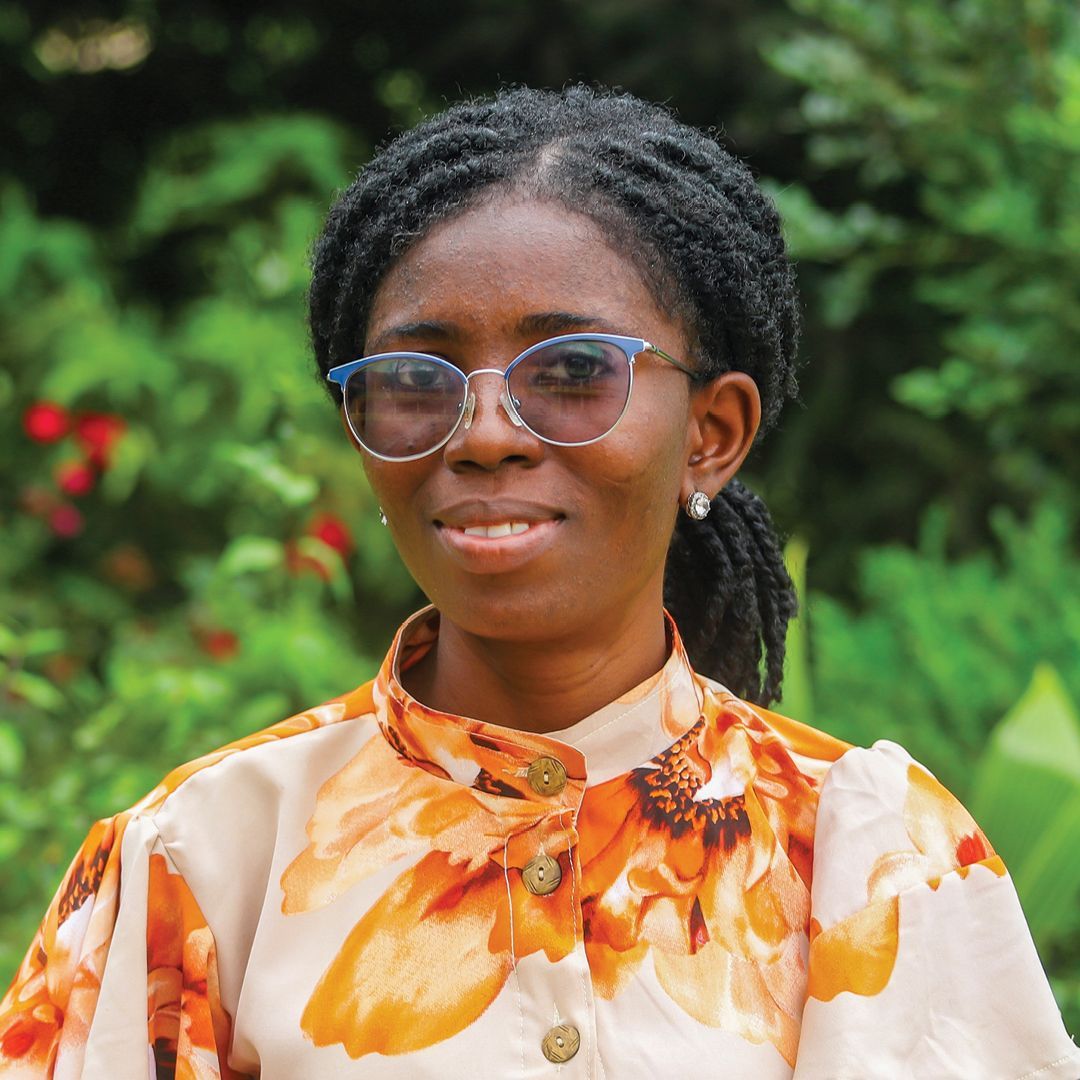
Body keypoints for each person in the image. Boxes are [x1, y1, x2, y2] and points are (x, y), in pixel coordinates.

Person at [1, 86, 1077, 1080]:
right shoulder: (200, 863)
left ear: (713, 433)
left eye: (570, 372)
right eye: (416, 380)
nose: (483, 435)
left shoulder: (871, 854)